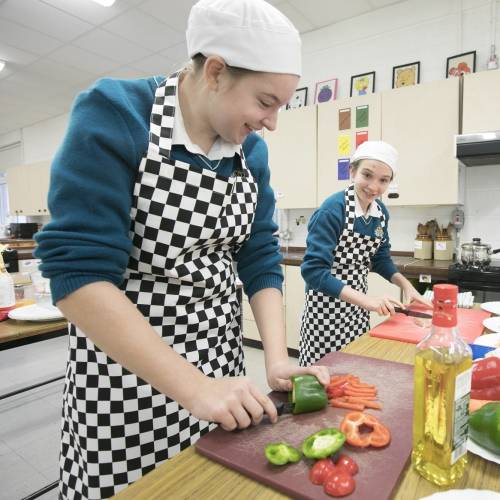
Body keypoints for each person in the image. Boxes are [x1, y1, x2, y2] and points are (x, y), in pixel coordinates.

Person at [34, 0, 329, 497]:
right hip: (127, 384)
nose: (272, 122)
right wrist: (195, 389)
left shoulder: (249, 151)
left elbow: (257, 255)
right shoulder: (118, 115)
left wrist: (276, 359)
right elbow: (78, 276)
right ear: (215, 72)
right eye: (265, 101)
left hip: (224, 371)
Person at [299, 141, 431, 366]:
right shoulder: (333, 209)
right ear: (352, 171)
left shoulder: (380, 213)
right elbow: (313, 272)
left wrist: (407, 286)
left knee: (353, 367)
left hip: (359, 309)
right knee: (323, 374)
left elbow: (380, 259)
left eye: (383, 180)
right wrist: (368, 301)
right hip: (325, 310)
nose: (374, 186)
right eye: (367, 175)